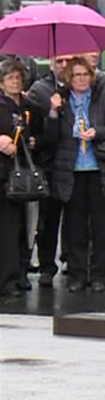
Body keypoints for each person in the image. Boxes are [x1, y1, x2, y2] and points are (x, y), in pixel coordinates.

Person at [46, 57, 105, 293]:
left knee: (100, 226)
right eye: (76, 75)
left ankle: (98, 273)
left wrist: (96, 132)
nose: (81, 79)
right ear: (68, 78)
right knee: (75, 226)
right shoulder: (61, 100)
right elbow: (50, 137)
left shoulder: (104, 98)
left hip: (99, 169)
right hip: (72, 171)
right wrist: (52, 112)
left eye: (85, 74)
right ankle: (78, 273)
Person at [28, 54, 75, 288]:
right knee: (48, 220)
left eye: (69, 61)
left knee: (76, 219)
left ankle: (73, 262)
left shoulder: (80, 84)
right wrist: (53, 112)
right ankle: (47, 265)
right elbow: (38, 131)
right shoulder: (40, 89)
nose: (64, 66)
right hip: (50, 163)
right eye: (60, 61)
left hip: (76, 161)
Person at [1, 60, 47, 291]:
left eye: (18, 77)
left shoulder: (31, 106)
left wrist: (34, 140)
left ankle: (20, 272)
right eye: (10, 78)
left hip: (26, 177)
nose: (15, 81)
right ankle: (6, 279)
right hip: (4, 175)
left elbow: (44, 134)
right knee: (6, 229)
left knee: (26, 228)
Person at [0, 89, 23, 297]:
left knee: (9, 229)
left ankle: (8, 279)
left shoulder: (8, 104)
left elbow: (22, 127)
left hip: (6, 175)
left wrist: (16, 139)